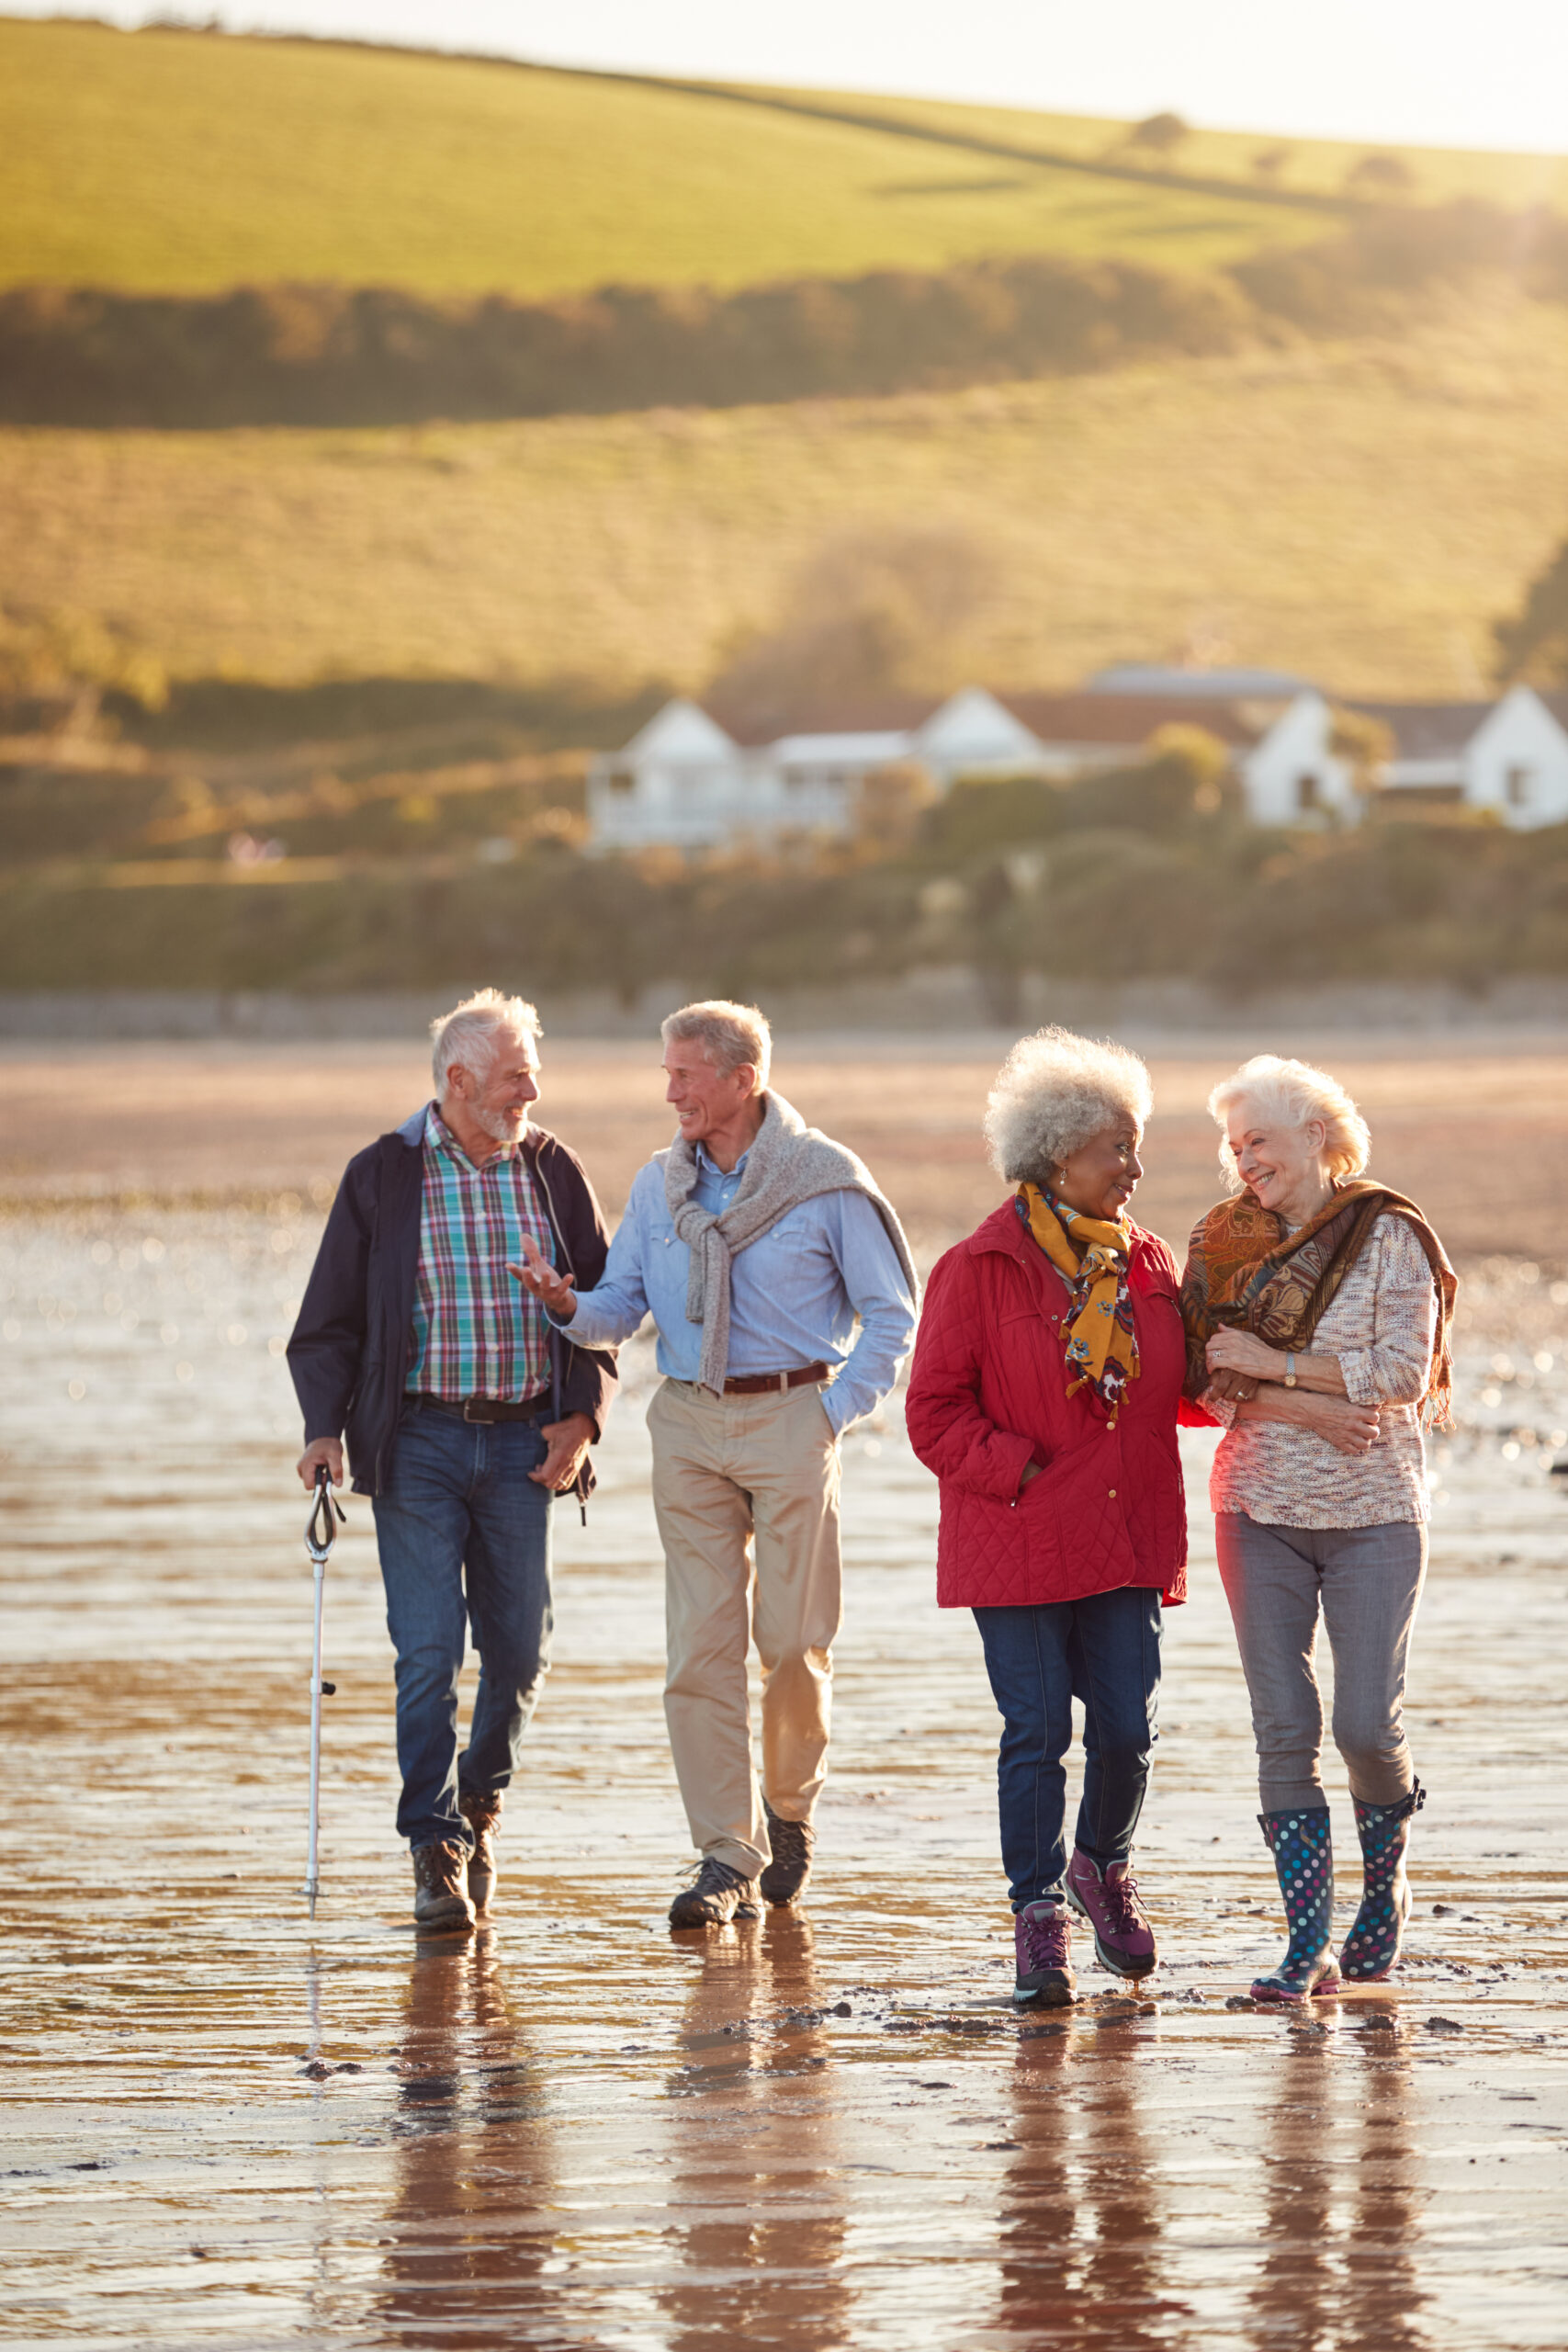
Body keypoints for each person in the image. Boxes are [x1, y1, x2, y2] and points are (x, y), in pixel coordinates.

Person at [513, 1000, 917, 1928]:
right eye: (667, 1072)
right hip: (686, 1422)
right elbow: (622, 1306)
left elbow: (892, 1316)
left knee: (790, 1640)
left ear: (744, 1077)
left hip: (792, 1414)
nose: (670, 1091)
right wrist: (565, 1302)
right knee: (699, 1646)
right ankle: (725, 1851)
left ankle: (790, 1809)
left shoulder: (827, 1181)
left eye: (686, 1073)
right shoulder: (661, 1186)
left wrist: (829, 1414)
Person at [288, 990, 615, 1935]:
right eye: (517, 1075)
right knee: (427, 1651)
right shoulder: (382, 1176)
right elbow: (327, 1324)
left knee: (517, 1651)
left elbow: (601, 1304)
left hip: (527, 1441)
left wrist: (582, 1419)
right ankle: (433, 1844)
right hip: (418, 1442)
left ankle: (478, 1803)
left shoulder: (554, 1169)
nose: (533, 1089)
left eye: (534, 1073)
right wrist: (323, 1429)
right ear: (459, 1080)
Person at [904, 1028, 1193, 2009]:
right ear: (1059, 1153)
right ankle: (1037, 1914)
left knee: (1127, 1729)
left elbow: (1182, 1389)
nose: (1134, 1166)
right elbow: (932, 1413)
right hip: (1020, 1539)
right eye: (1117, 1146)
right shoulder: (976, 1267)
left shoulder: (1147, 1259)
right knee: (1036, 1732)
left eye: (1133, 1144)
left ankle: (1101, 1866)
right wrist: (1019, 1469)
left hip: (1123, 1538)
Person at [1180, 1054, 1456, 2003]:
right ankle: (1308, 1944)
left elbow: (1402, 1376)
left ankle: (1384, 1892)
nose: (1244, 1157)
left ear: (1320, 1136)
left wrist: (1278, 1366)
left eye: (1260, 1138)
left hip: (1376, 1510)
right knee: (1283, 1724)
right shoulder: (1224, 1243)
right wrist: (1305, 1407)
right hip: (1255, 1508)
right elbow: (1212, 1380)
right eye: (1235, 1143)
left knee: (1366, 1726)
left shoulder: (1391, 1235)